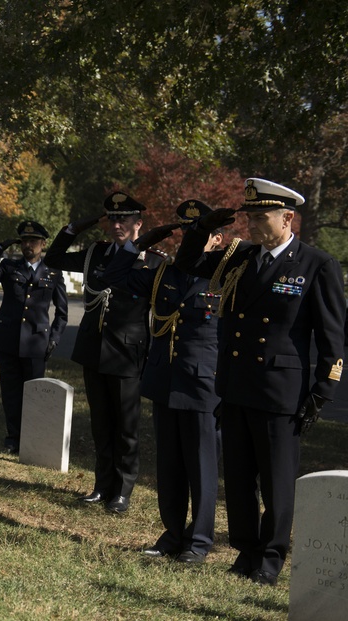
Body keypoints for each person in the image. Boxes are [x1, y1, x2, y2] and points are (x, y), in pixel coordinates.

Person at [174, 178, 345, 585]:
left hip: (280, 391)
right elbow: (187, 265)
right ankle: (246, 551)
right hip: (236, 384)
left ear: (287, 218)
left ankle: (270, 557)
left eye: (260, 217)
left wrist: (321, 393)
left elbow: (332, 337)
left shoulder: (316, 264)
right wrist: (200, 230)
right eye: (248, 216)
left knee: (276, 481)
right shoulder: (241, 258)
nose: (251, 223)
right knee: (238, 477)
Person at [102, 200, 226, 564]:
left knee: (202, 466)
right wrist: (137, 245)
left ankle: (200, 540)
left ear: (216, 239)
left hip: (203, 384)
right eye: (186, 231)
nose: (189, 237)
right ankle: (172, 533)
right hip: (164, 378)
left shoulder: (223, 276)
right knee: (169, 465)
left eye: (198, 232)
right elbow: (112, 277)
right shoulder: (163, 273)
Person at [44, 192, 165, 514]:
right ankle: (102, 486)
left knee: (125, 426)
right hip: (94, 349)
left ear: (138, 223)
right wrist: (75, 227)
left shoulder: (154, 260)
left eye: (124, 219)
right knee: (101, 423)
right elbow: (53, 259)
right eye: (111, 218)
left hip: (128, 353)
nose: (116, 225)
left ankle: (122, 490)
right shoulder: (95, 254)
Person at [0, 221, 68, 454]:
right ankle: (13, 438)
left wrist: (54, 338)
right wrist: (1, 246)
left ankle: (32, 437)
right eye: (24, 241)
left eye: (33, 241)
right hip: (8, 338)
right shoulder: (9, 267)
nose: (28, 245)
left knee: (34, 393)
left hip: (36, 342)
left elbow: (62, 313)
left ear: (43, 244)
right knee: (11, 392)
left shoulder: (52, 272)